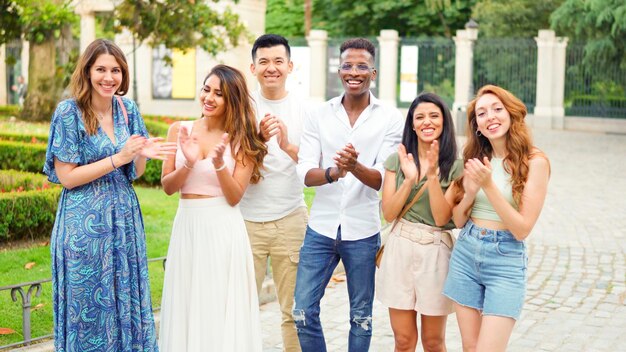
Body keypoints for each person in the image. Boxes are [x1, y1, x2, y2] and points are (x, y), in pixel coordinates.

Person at [43, 39, 175, 351]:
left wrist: (143, 153)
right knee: (88, 307)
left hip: (124, 224)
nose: (108, 77)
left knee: (126, 302)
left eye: (115, 70)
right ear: (87, 71)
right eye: (101, 69)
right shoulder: (69, 113)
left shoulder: (127, 109)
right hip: (83, 229)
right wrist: (119, 157)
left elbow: (136, 171)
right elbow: (67, 177)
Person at [294, 38, 403, 352]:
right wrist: (333, 173)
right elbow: (304, 172)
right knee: (302, 311)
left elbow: (383, 179)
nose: (353, 72)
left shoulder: (390, 118)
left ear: (374, 72)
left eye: (361, 66)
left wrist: (354, 167)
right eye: (347, 65)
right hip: (321, 228)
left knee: (361, 317)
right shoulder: (319, 114)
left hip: (363, 230)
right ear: (338, 70)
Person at [159, 64, 268, 351]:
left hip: (223, 229)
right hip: (188, 227)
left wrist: (219, 163)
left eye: (219, 94)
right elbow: (168, 187)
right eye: (206, 89)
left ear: (232, 99)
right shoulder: (179, 130)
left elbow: (234, 197)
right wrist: (190, 162)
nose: (209, 97)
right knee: (187, 300)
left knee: (217, 303)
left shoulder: (242, 140)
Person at [442, 85, 550, 351]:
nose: (490, 117)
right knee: (470, 347)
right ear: (476, 125)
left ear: (511, 113)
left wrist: (488, 185)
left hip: (505, 260)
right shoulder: (475, 159)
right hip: (466, 252)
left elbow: (522, 229)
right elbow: (457, 220)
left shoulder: (535, 161)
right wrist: (468, 194)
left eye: (497, 109)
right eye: (482, 113)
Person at [377, 92, 462, 352]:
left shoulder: (456, 168)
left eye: (434, 116)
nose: (427, 122)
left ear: (444, 122)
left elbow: (441, 217)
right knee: (403, 341)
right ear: (412, 124)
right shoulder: (397, 161)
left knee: (433, 342)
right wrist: (411, 180)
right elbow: (389, 213)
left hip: (436, 250)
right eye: (420, 117)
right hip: (400, 247)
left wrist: (433, 176)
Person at [239, 34, 308, 352]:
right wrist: (257, 139)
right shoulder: (241, 107)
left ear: (290, 66)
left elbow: (313, 167)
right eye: (263, 62)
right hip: (243, 221)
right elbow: (229, 158)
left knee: (293, 311)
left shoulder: (306, 108)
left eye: (278, 61)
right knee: (239, 310)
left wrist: (286, 145)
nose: (271, 68)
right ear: (252, 67)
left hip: (290, 219)